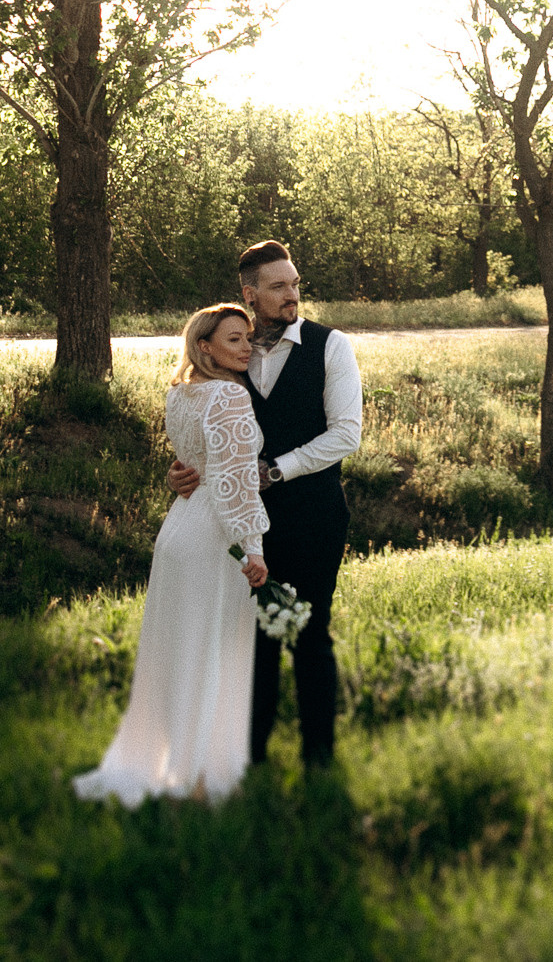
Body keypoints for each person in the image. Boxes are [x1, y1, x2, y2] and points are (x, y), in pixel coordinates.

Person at [167, 239, 361, 769]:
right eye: (278, 286)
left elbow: (346, 434)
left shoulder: (330, 346)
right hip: (243, 527)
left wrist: (276, 470)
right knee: (252, 643)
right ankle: (249, 759)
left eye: (295, 284)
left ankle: (319, 761)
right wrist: (184, 471)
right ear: (250, 294)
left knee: (310, 634)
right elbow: (208, 430)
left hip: (315, 517)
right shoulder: (232, 349)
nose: (292, 294)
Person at [71, 303, 269, 805]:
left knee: (180, 648)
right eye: (233, 340)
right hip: (214, 535)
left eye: (248, 338)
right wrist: (253, 547)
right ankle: (201, 776)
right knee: (213, 648)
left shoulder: (180, 393)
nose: (246, 347)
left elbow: (190, 463)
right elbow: (236, 484)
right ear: (204, 347)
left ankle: (175, 761)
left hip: (179, 529)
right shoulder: (230, 395)